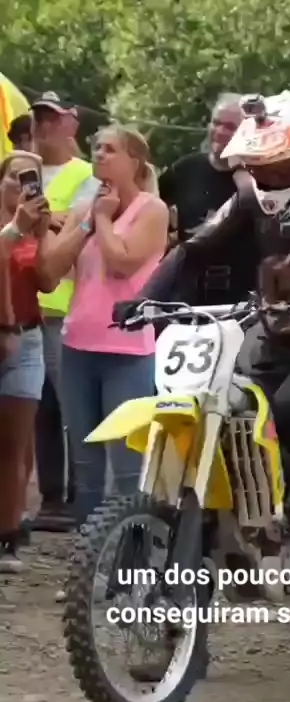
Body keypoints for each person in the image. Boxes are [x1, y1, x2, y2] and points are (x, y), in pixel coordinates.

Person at [112, 91, 290, 567]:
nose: (269, 173)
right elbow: (194, 247)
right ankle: (241, 521)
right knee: (220, 404)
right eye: (259, 162)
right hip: (268, 345)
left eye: (280, 163)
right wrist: (146, 297)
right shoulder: (249, 200)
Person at [40, 124, 168, 524]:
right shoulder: (87, 209)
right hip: (78, 345)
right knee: (85, 461)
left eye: (110, 149)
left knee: (127, 462)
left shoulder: (152, 210)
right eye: (96, 147)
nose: (98, 154)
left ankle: (130, 550)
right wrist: (86, 223)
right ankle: (86, 549)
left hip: (127, 349)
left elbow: (122, 262)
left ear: (135, 160)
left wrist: (103, 219)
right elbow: (50, 270)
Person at [31, 91, 100, 532]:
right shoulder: (22, 169)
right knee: (39, 408)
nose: (43, 126)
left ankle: (79, 495)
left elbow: (80, 226)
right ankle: (51, 496)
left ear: (71, 125)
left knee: (69, 406)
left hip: (64, 305)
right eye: (38, 117)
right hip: (24, 306)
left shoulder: (86, 174)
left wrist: (48, 220)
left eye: (52, 118)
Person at [0, 150, 56, 572]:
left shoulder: (31, 227)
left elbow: (49, 281)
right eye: (15, 177)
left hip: (27, 338)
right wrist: (15, 228)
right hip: (4, 333)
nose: (22, 186)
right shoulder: (10, 227)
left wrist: (42, 234)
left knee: (15, 447)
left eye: (31, 178)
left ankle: (8, 536)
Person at [158, 93, 258, 305]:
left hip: (239, 296)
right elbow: (149, 205)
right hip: (187, 292)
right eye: (216, 123)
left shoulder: (261, 176)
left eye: (230, 127)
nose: (220, 132)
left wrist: (242, 172)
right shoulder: (186, 169)